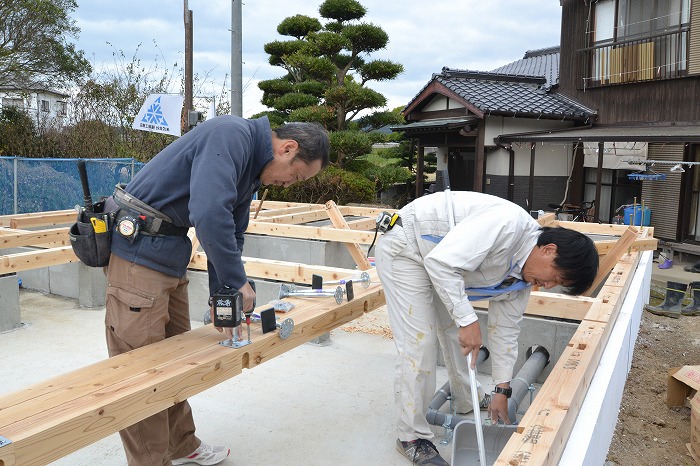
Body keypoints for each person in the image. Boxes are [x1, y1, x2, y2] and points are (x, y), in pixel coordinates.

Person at [105, 115, 329, 466]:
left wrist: (224, 295)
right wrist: (237, 281)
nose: (289, 184)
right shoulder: (231, 136)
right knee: (142, 374)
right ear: (287, 148)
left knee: (175, 363)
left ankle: (181, 446)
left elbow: (231, 232)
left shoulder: (249, 170)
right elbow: (208, 213)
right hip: (139, 255)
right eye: (296, 175)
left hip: (167, 255)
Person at [374, 191, 598, 465]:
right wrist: (468, 321)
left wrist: (502, 390)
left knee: (456, 333)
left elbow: (506, 331)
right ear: (549, 250)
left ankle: (466, 397)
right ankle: (410, 437)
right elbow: (441, 262)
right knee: (419, 343)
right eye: (556, 278)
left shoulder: (521, 281)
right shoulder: (506, 225)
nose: (548, 286)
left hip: (440, 264)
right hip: (407, 247)